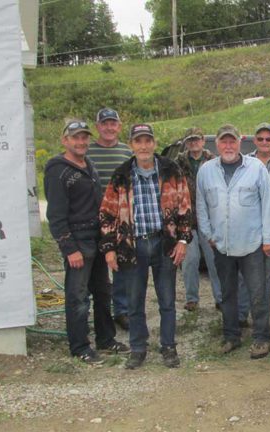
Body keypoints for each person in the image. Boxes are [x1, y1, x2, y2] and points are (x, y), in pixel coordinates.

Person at [99, 123, 193, 369]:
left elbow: (185, 207)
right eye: (138, 141)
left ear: (153, 143)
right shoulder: (121, 175)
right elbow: (107, 214)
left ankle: (168, 347)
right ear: (132, 145)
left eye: (147, 141)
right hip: (132, 246)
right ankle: (138, 348)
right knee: (134, 301)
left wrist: (182, 240)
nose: (143, 146)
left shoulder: (171, 170)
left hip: (165, 244)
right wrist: (109, 248)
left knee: (167, 300)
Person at [44, 120, 128, 364]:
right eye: (75, 138)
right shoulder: (57, 170)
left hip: (97, 238)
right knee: (77, 296)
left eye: (84, 138)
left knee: (103, 292)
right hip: (78, 241)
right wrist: (69, 248)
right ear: (65, 140)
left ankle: (106, 339)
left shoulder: (87, 163)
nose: (81, 142)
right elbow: (56, 216)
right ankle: (80, 346)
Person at [196, 124, 270, 359]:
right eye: (224, 142)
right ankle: (231, 336)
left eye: (232, 141)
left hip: (252, 243)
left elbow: (269, 204)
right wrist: (209, 234)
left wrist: (268, 239)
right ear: (218, 144)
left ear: (240, 143)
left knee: (257, 293)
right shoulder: (206, 171)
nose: (228, 146)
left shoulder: (256, 168)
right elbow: (201, 206)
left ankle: (262, 338)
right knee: (227, 294)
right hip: (222, 245)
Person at [237, 123, 270, 326]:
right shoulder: (245, 162)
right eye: (260, 139)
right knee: (244, 275)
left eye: (269, 139)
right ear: (255, 141)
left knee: (267, 276)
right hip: (248, 229)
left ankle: (261, 317)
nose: (265, 142)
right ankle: (241, 315)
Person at [87, 107, 132, 331]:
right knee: (94, 268)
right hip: (91, 219)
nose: (109, 127)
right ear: (97, 127)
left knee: (121, 266)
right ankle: (96, 312)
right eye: (104, 123)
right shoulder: (87, 151)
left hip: (119, 221)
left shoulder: (126, 152)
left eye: (113, 123)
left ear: (119, 126)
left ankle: (121, 311)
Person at [173, 127, 221, 312]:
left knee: (214, 261)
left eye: (196, 139)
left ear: (203, 141)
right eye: (190, 140)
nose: (194, 143)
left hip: (209, 219)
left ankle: (220, 297)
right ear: (186, 143)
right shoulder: (178, 163)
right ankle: (192, 298)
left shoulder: (214, 161)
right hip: (187, 220)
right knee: (190, 261)